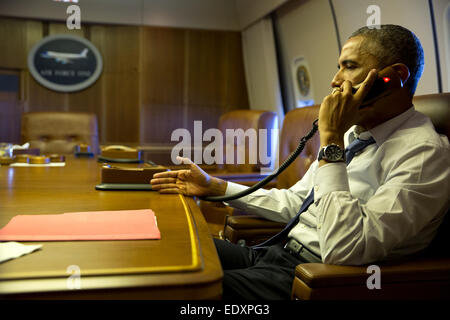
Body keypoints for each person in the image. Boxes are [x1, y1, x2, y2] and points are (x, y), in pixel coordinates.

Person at [151, 25, 450, 300]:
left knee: (176, 291)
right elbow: (298, 202)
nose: (335, 80)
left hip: (313, 277)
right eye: (338, 67)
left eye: (350, 66)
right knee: (165, 247)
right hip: (274, 253)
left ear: (394, 77)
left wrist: (331, 138)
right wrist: (214, 186)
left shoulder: (423, 154)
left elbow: (345, 248)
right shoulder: (357, 134)